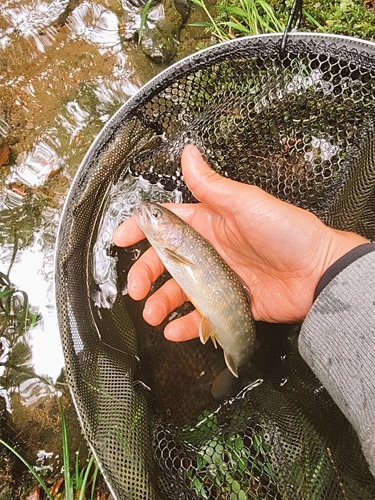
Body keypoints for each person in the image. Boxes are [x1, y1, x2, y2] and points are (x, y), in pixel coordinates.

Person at [113, 144, 375, 477]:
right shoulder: (171, 245)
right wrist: (323, 264)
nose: (148, 215)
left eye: (155, 216)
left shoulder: (175, 247)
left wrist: (323, 262)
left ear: (173, 233)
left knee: (215, 341)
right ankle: (240, 369)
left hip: (237, 336)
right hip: (245, 310)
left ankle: (238, 369)